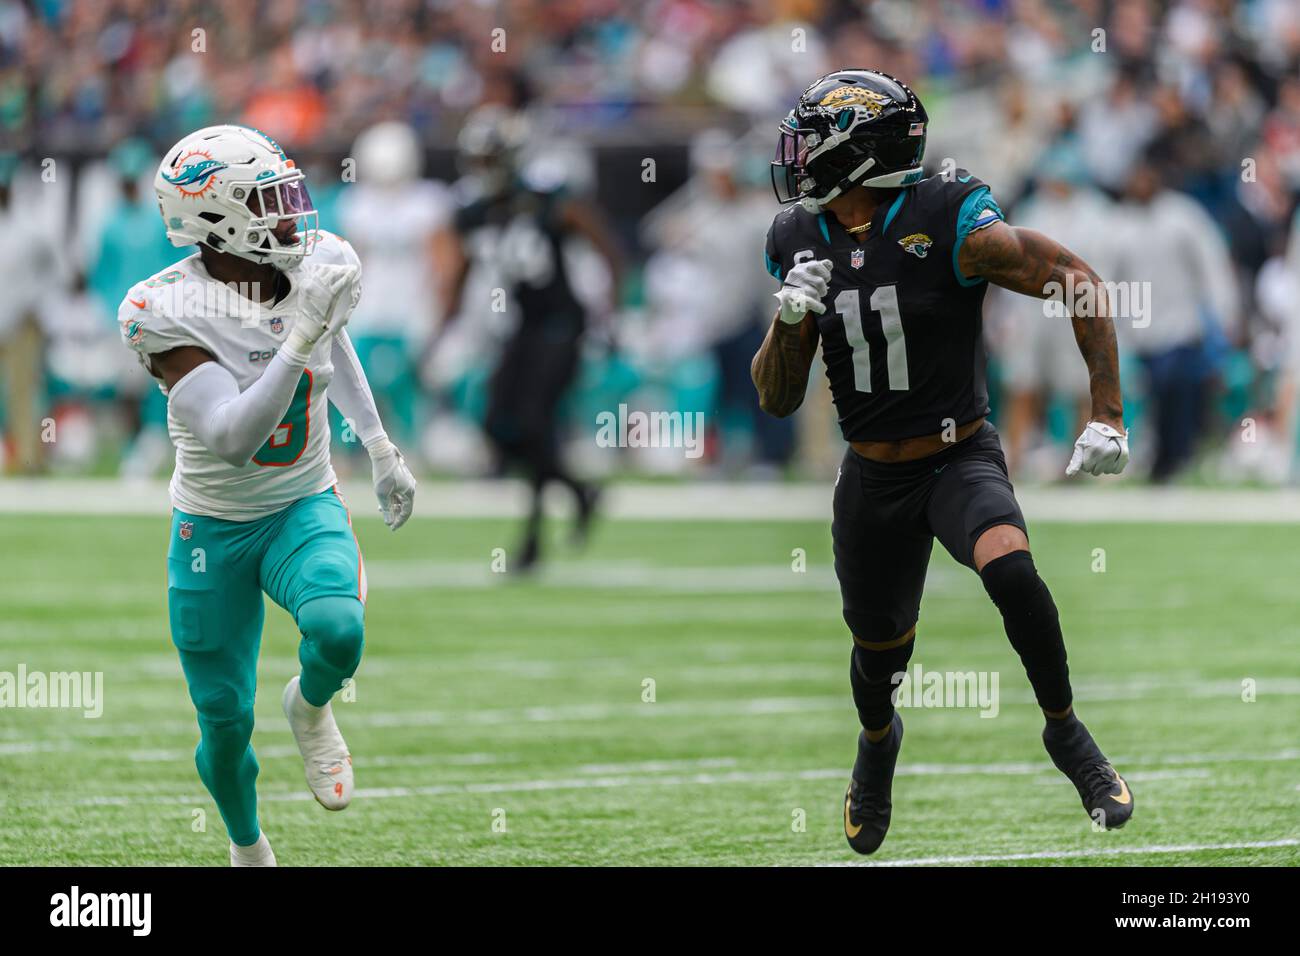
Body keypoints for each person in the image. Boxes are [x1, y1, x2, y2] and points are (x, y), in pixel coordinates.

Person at [756, 70, 1133, 856]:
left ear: (859, 155)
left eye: (811, 141)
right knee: (878, 649)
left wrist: (1107, 413)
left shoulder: (949, 218)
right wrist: (789, 319)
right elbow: (778, 399)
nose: (795, 158)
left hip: (958, 456)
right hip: (871, 475)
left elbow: (1076, 280)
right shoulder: (795, 236)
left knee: (1013, 572)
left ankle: (1066, 733)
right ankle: (876, 744)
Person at [117, 125, 417, 866]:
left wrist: (379, 447)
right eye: (270, 202)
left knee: (339, 631)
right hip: (212, 528)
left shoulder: (320, 263)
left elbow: (333, 344)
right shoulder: (166, 308)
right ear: (217, 218)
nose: (291, 217)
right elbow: (230, 435)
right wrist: (297, 337)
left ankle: (310, 706)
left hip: (299, 502)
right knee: (223, 722)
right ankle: (248, 847)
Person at [433, 106, 623, 572]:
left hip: (562, 323)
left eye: (489, 159)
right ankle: (578, 492)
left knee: (536, 425)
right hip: (521, 327)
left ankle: (533, 541)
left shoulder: (547, 197)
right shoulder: (475, 211)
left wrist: (611, 314)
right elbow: (463, 270)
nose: (482, 170)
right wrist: (443, 327)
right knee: (498, 423)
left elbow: (608, 249)